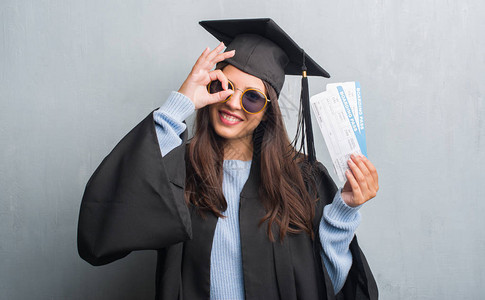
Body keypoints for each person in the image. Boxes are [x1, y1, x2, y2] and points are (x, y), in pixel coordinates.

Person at [78, 18, 379, 300]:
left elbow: (327, 287)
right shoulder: (178, 169)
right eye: (224, 87)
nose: (233, 103)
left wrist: (344, 212)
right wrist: (178, 104)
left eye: (252, 97)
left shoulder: (302, 179)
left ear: (267, 111)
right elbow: (103, 228)